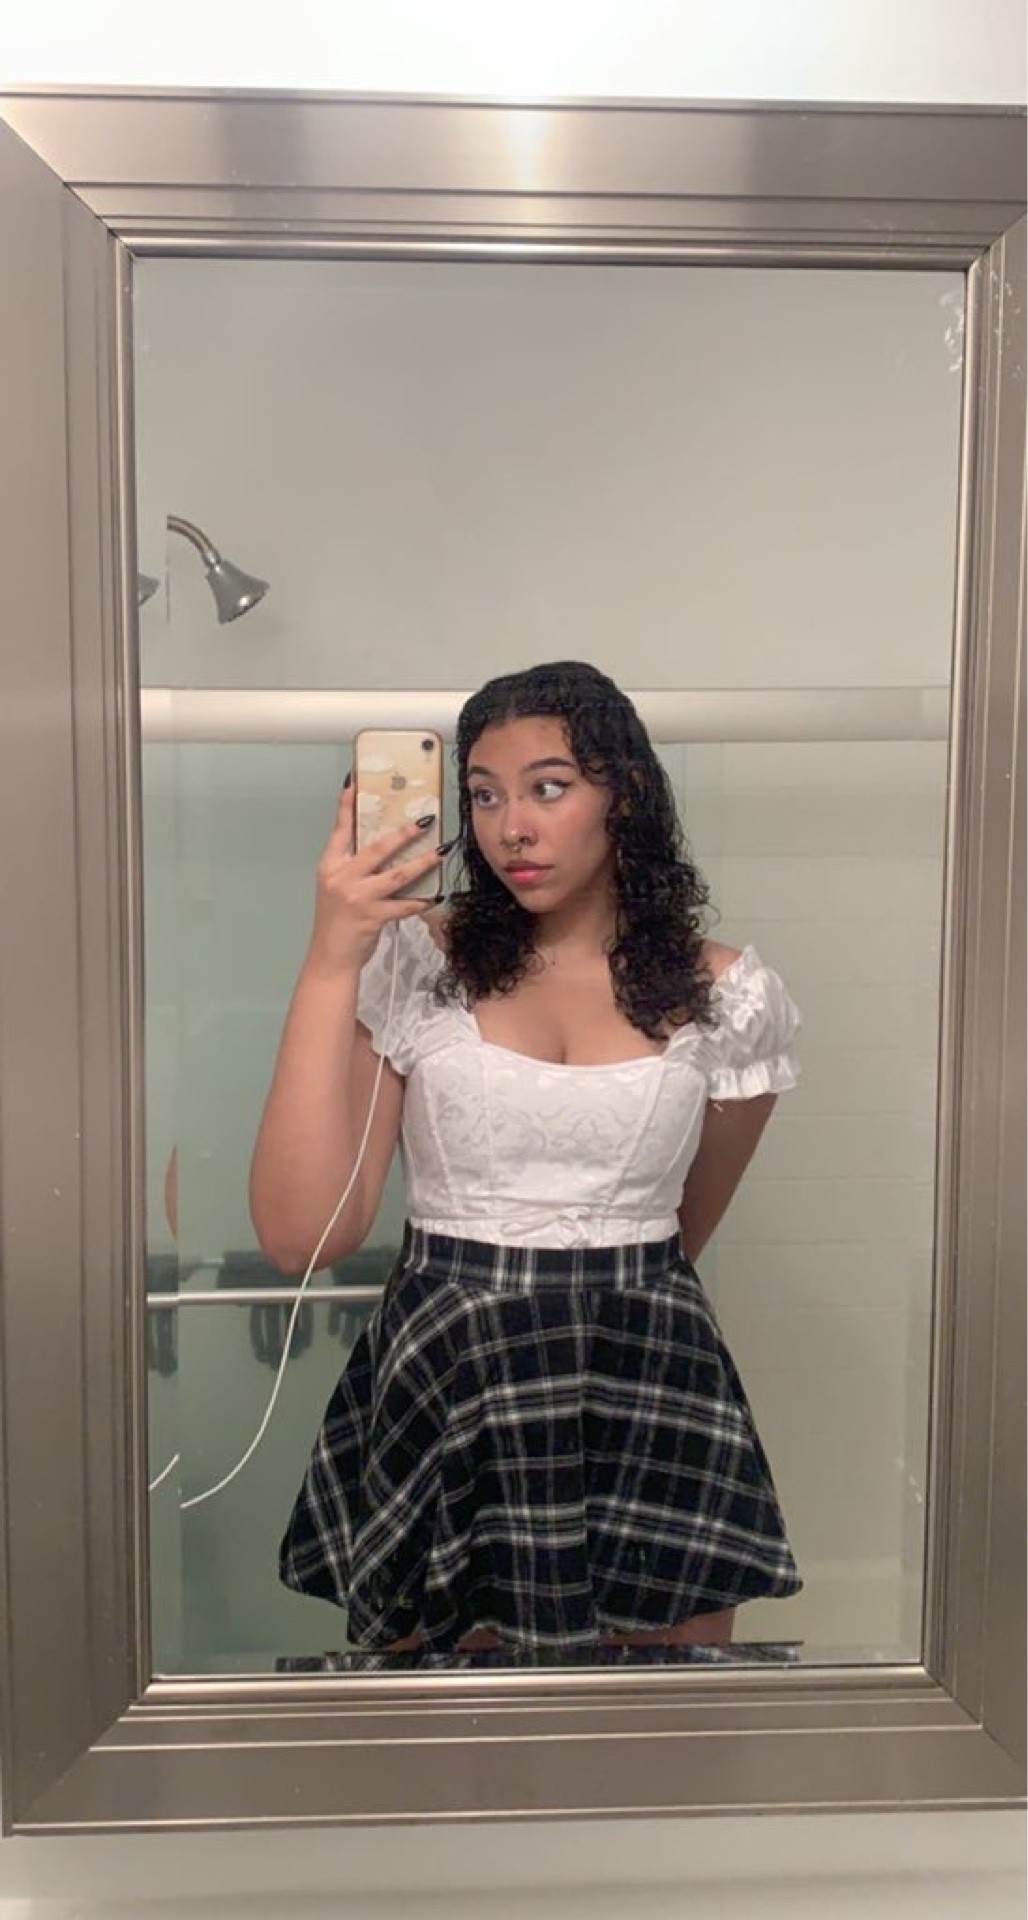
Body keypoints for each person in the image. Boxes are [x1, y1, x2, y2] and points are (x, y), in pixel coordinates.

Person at [250, 661, 803, 1654]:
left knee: (667, 1714)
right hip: (452, 1371)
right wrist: (332, 954)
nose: (511, 827)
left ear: (623, 795)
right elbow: (303, 1237)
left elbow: (679, 1235)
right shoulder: (418, 962)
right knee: (446, 1723)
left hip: (649, 1376)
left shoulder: (732, 996)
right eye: (484, 794)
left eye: (548, 788)